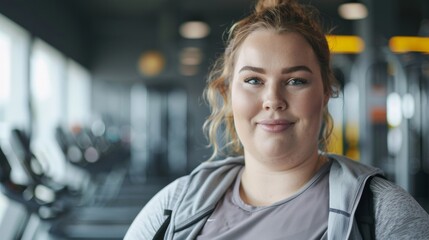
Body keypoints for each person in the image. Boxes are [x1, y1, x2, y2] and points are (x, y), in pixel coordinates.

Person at [125, 0, 429, 239]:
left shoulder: (381, 213)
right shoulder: (174, 205)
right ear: (227, 93)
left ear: (325, 93)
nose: (273, 100)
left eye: (296, 81)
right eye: (253, 81)